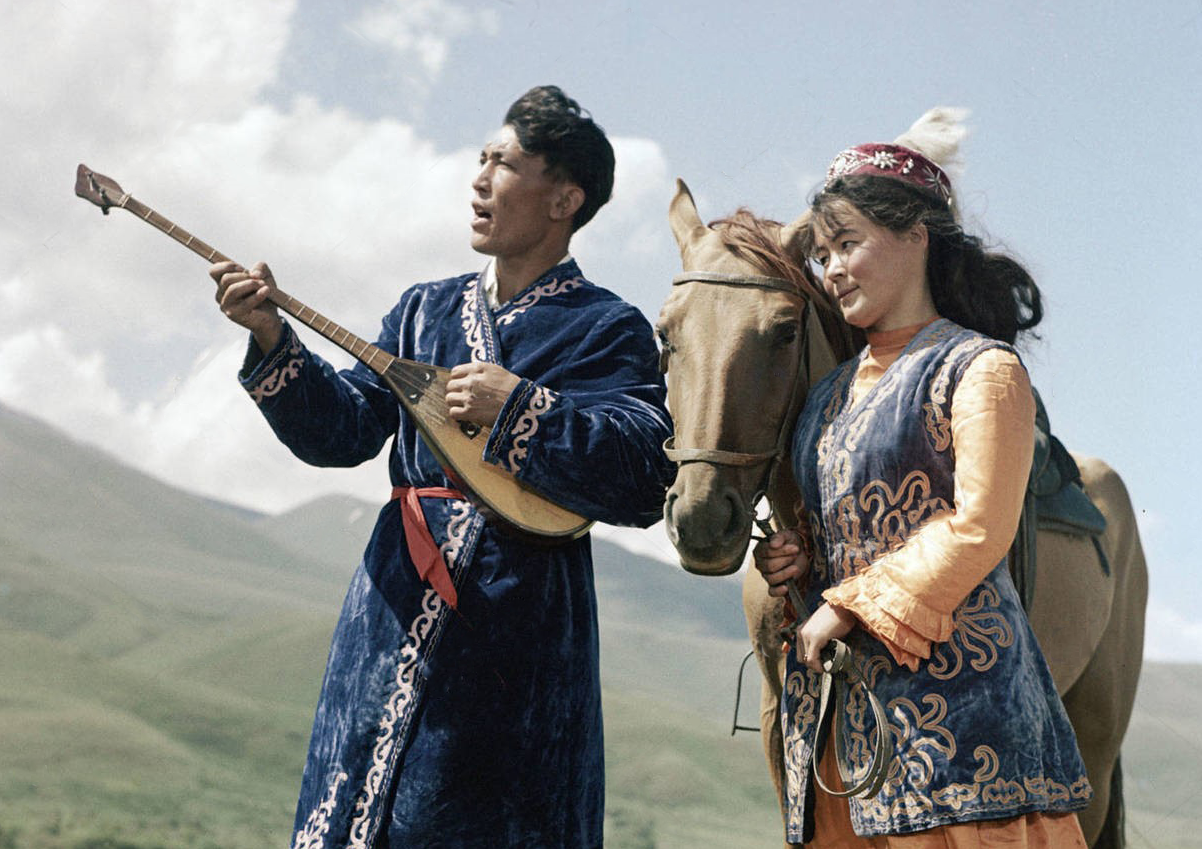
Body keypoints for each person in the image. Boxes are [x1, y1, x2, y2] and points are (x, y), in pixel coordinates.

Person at [211, 85, 674, 849]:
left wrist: (522, 408)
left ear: (565, 197)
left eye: (505, 162)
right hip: (390, 604)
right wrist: (271, 339)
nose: (480, 178)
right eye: (481, 158)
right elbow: (343, 429)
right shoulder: (423, 310)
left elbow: (642, 471)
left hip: (515, 634)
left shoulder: (606, 327)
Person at [754, 111, 1092, 847]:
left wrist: (843, 605)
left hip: (969, 739)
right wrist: (804, 562)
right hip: (850, 743)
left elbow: (979, 526)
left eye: (848, 243)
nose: (833, 268)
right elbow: (849, 542)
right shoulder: (826, 398)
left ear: (917, 236)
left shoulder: (981, 369)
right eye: (822, 254)